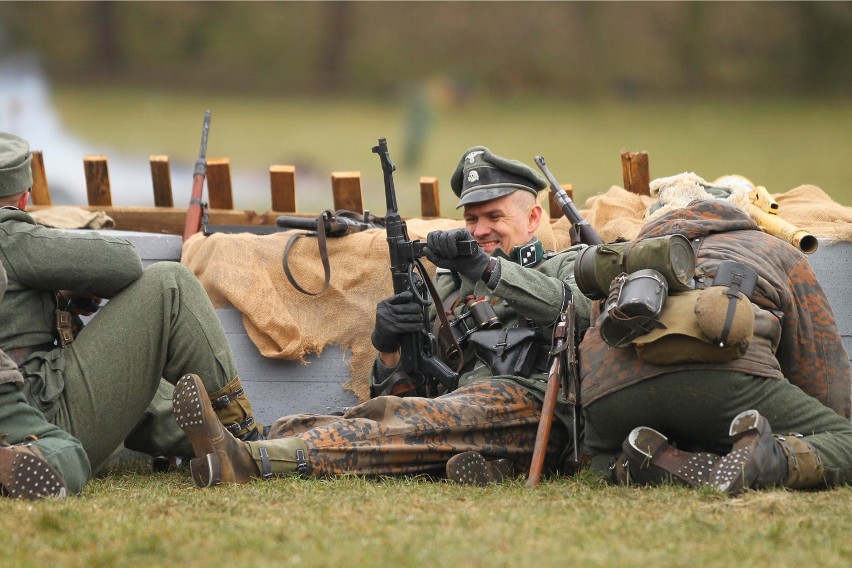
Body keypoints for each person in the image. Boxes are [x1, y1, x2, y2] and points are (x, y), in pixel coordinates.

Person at [172, 145, 593, 487]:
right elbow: (410, 388)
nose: (480, 230)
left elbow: (578, 311)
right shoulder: (449, 287)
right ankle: (243, 441)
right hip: (457, 413)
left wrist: (490, 271)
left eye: (495, 217)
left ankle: (251, 460)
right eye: (472, 219)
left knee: (411, 421)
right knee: (333, 419)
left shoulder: (564, 265)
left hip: (535, 413)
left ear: (534, 218)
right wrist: (389, 349)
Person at [0, 131, 265, 498]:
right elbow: (124, 262)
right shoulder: (9, 236)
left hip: (22, 410)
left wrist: (56, 294)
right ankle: (247, 430)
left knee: (140, 369)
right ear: (24, 197)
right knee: (170, 285)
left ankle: (230, 443)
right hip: (39, 415)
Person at [578, 198, 852, 495]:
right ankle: (769, 461)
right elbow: (823, 379)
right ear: (740, 219)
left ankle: (627, 464)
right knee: (844, 440)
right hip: (726, 385)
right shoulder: (777, 250)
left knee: (601, 455)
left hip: (614, 393)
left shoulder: (626, 258)